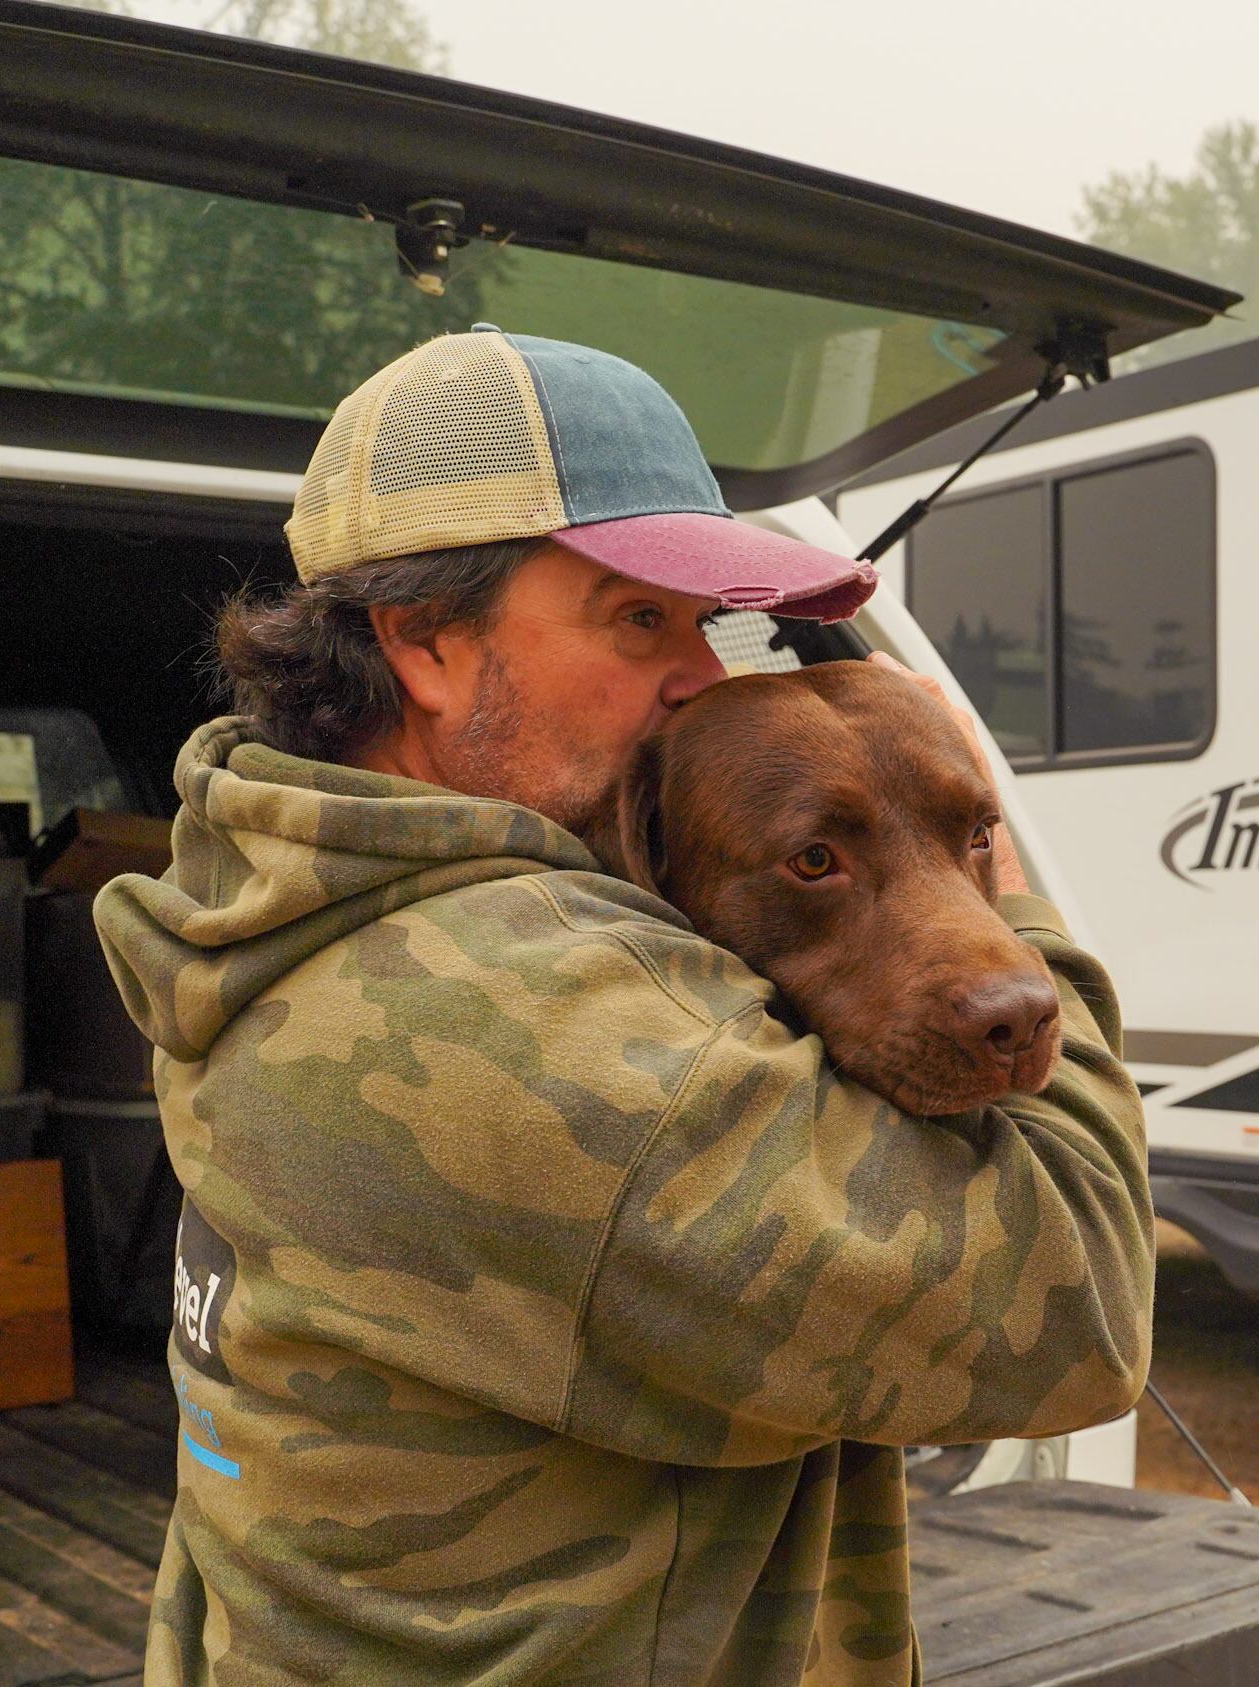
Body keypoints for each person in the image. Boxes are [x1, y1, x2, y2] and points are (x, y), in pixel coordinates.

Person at [94, 327, 1153, 1686]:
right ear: (422, 642)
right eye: (638, 619)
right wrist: (1002, 898)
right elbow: (1081, 1305)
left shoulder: (271, 886)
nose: (701, 674)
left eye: (702, 621)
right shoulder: (529, 1015)